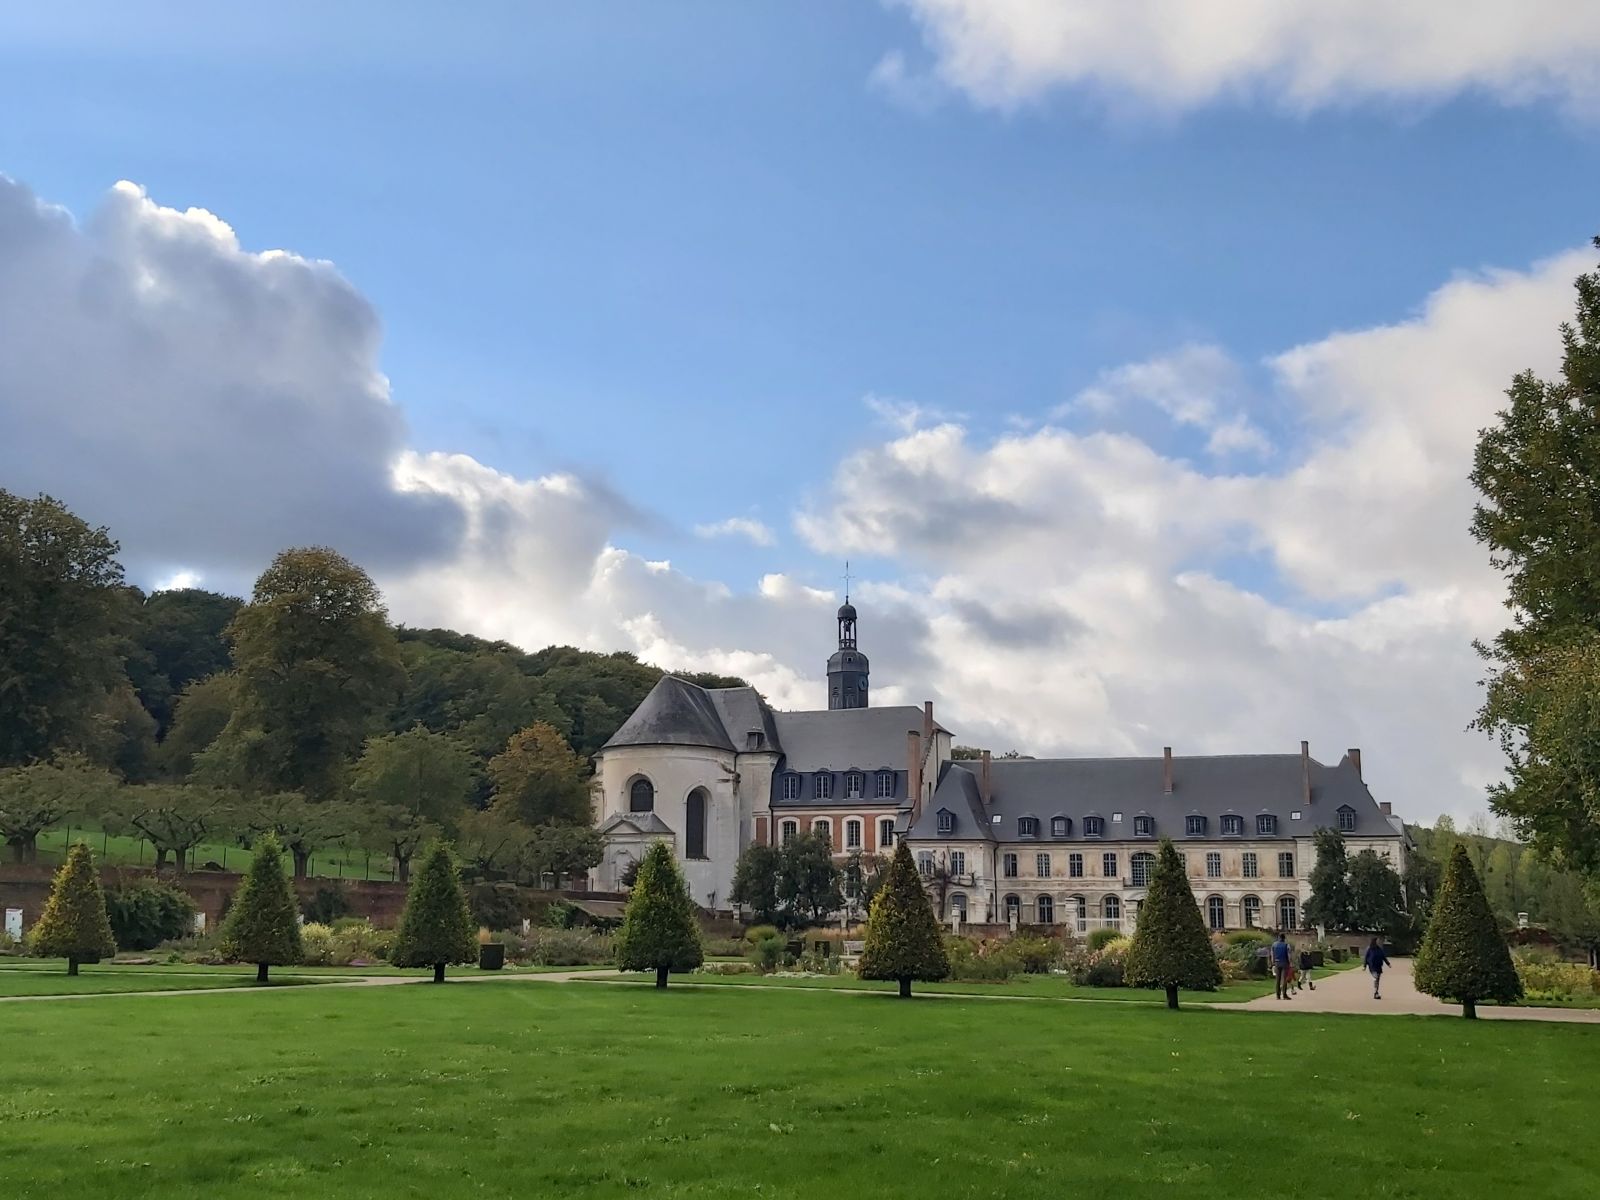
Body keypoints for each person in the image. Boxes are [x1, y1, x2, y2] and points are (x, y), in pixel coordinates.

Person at [1271, 932, 1293, 1000]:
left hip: (1277, 963)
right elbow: (1289, 955)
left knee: (1278, 980)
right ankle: (1284, 995)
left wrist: (1273, 962)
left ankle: (1278, 995)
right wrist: (1290, 962)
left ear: (1279, 937)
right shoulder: (1286, 945)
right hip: (1284, 963)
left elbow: (1272, 954)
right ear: (1284, 938)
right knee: (1284, 980)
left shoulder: (1274, 944)